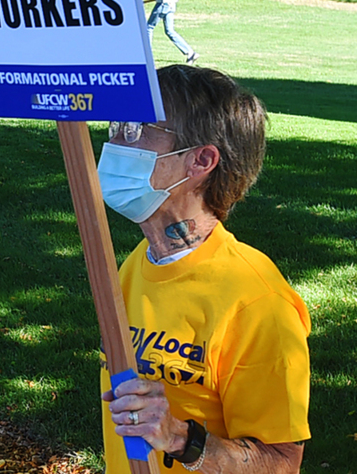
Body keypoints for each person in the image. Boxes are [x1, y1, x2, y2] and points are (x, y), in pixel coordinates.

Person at [97, 65, 310, 473]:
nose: (116, 140)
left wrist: (179, 438)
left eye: (137, 128)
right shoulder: (134, 265)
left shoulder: (257, 302)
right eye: (118, 124)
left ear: (201, 159)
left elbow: (283, 463)